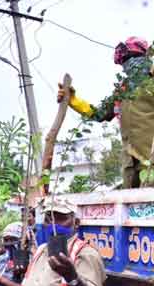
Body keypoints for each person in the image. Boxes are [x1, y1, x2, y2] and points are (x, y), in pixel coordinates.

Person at [58, 37, 153, 188]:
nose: (126, 66)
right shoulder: (123, 89)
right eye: (124, 62)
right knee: (130, 204)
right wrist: (73, 100)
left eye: (129, 59)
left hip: (150, 160)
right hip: (131, 163)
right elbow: (100, 113)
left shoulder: (151, 81)